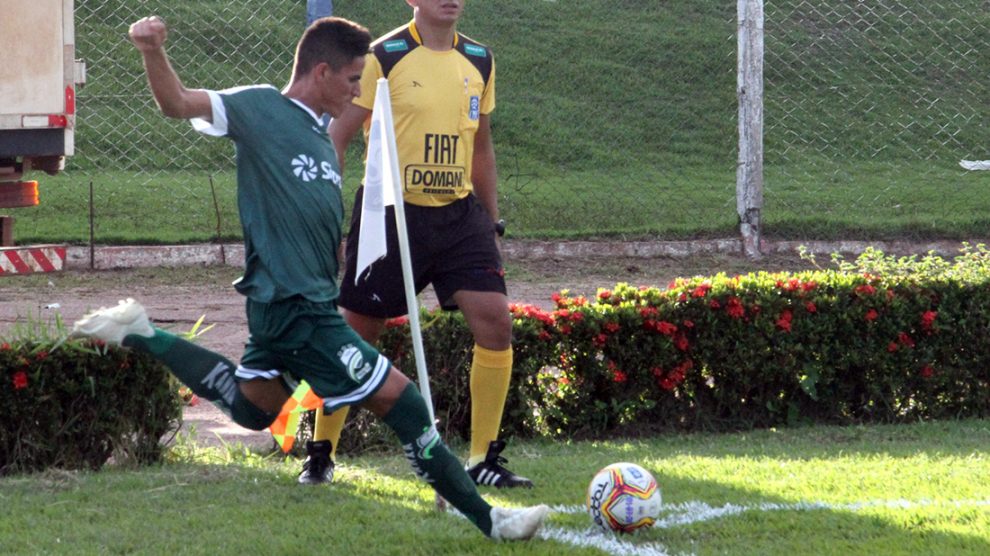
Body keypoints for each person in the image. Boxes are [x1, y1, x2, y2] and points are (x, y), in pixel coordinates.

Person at [72, 15, 548, 541]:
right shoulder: (258, 108)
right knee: (406, 402)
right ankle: (491, 520)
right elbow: (178, 103)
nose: (357, 91)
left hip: (287, 304)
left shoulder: (322, 138)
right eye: (352, 80)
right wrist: (151, 50)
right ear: (321, 73)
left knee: (255, 411)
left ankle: (142, 332)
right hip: (300, 309)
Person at [297, 0, 530, 490]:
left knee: (495, 322)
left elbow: (482, 147)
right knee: (356, 333)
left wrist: (490, 221)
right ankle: (321, 453)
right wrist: (327, 208)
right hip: (390, 214)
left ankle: (483, 457)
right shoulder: (385, 55)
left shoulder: (481, 60)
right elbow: (337, 134)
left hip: (460, 216)